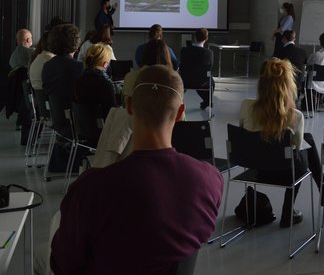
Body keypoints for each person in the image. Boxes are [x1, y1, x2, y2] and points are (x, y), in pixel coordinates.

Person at [51, 65, 223, 274]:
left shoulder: (89, 189)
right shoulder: (210, 180)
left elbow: (62, 263)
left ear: (130, 106)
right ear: (180, 113)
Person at [239, 59, 324, 227]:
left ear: (261, 84)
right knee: (302, 148)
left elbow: (243, 134)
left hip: (255, 169)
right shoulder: (295, 116)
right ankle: (295, 207)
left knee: (303, 142)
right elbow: (297, 148)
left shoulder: (245, 106)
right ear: (288, 86)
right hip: (284, 172)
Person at [74, 43, 117, 122]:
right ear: (105, 64)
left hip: (82, 127)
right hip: (103, 127)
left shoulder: (78, 81)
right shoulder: (105, 85)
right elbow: (112, 115)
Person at [179, 28, 215, 109]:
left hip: (185, 82)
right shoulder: (209, 53)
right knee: (211, 81)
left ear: (195, 37)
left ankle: (177, 100)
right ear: (206, 39)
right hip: (201, 83)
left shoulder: (184, 50)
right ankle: (207, 101)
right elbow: (209, 68)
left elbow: (181, 65)